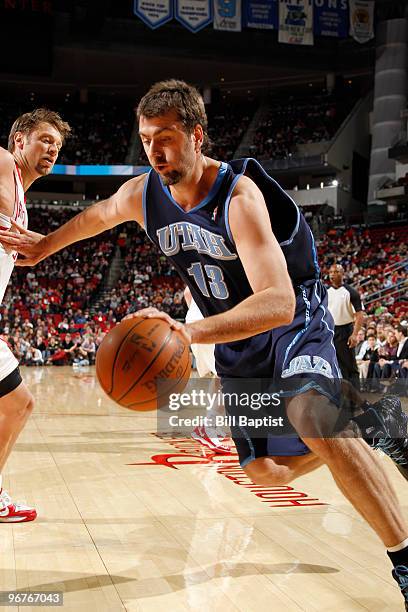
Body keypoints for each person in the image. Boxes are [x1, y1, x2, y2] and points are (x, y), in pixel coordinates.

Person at [2, 80, 408, 605]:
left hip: (289, 319)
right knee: (267, 471)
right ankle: (374, 421)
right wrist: (43, 247)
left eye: (166, 137)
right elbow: (96, 217)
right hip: (235, 338)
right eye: (147, 139)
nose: (155, 150)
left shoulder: (238, 196)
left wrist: (184, 332)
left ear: (197, 135)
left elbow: (278, 301)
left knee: (312, 413)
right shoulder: (143, 193)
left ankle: (403, 557)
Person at [0, 107, 70, 521]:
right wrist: (40, 242)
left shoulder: (21, 195)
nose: (52, 150)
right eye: (45, 140)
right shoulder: (4, 162)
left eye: (57, 147)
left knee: (18, 404)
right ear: (20, 140)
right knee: (17, 403)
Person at [184, 286, 231, 454]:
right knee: (232, 377)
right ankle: (208, 427)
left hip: (195, 322)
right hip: (213, 322)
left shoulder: (203, 261)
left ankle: (213, 424)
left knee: (220, 376)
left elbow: (187, 293)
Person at [327, 264, 365, 386]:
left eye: (336, 272)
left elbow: (359, 315)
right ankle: (343, 398)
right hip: (330, 331)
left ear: (343, 274)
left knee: (350, 366)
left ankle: (355, 400)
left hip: (345, 330)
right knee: (336, 366)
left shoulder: (351, 292)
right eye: (331, 272)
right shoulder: (326, 292)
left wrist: (354, 334)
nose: (332, 274)